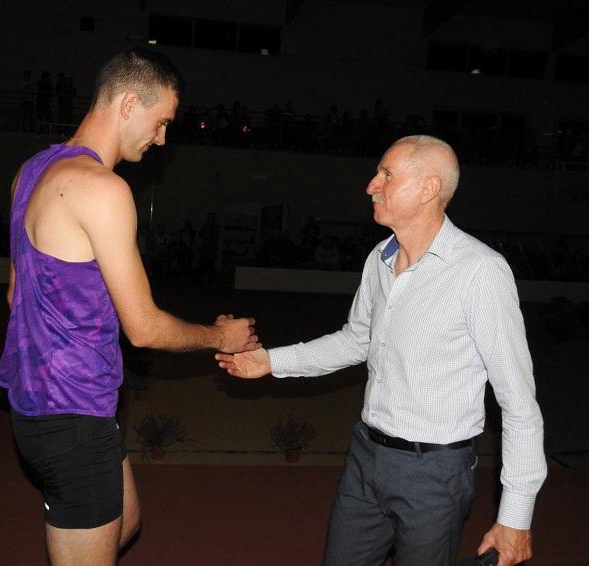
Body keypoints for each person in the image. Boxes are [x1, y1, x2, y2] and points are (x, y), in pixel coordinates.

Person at [216, 135, 547, 566]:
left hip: (434, 474)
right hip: (366, 456)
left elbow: (518, 402)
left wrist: (515, 516)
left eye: (386, 175)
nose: (371, 185)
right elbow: (357, 340)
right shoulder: (380, 258)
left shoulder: (479, 271)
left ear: (428, 189)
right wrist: (271, 361)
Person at [0, 47, 260, 566]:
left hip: (43, 405)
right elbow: (143, 328)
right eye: (161, 123)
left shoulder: (30, 171)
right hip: (71, 415)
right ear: (129, 103)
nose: (161, 139)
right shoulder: (103, 189)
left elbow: (13, 295)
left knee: (128, 520)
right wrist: (220, 336)